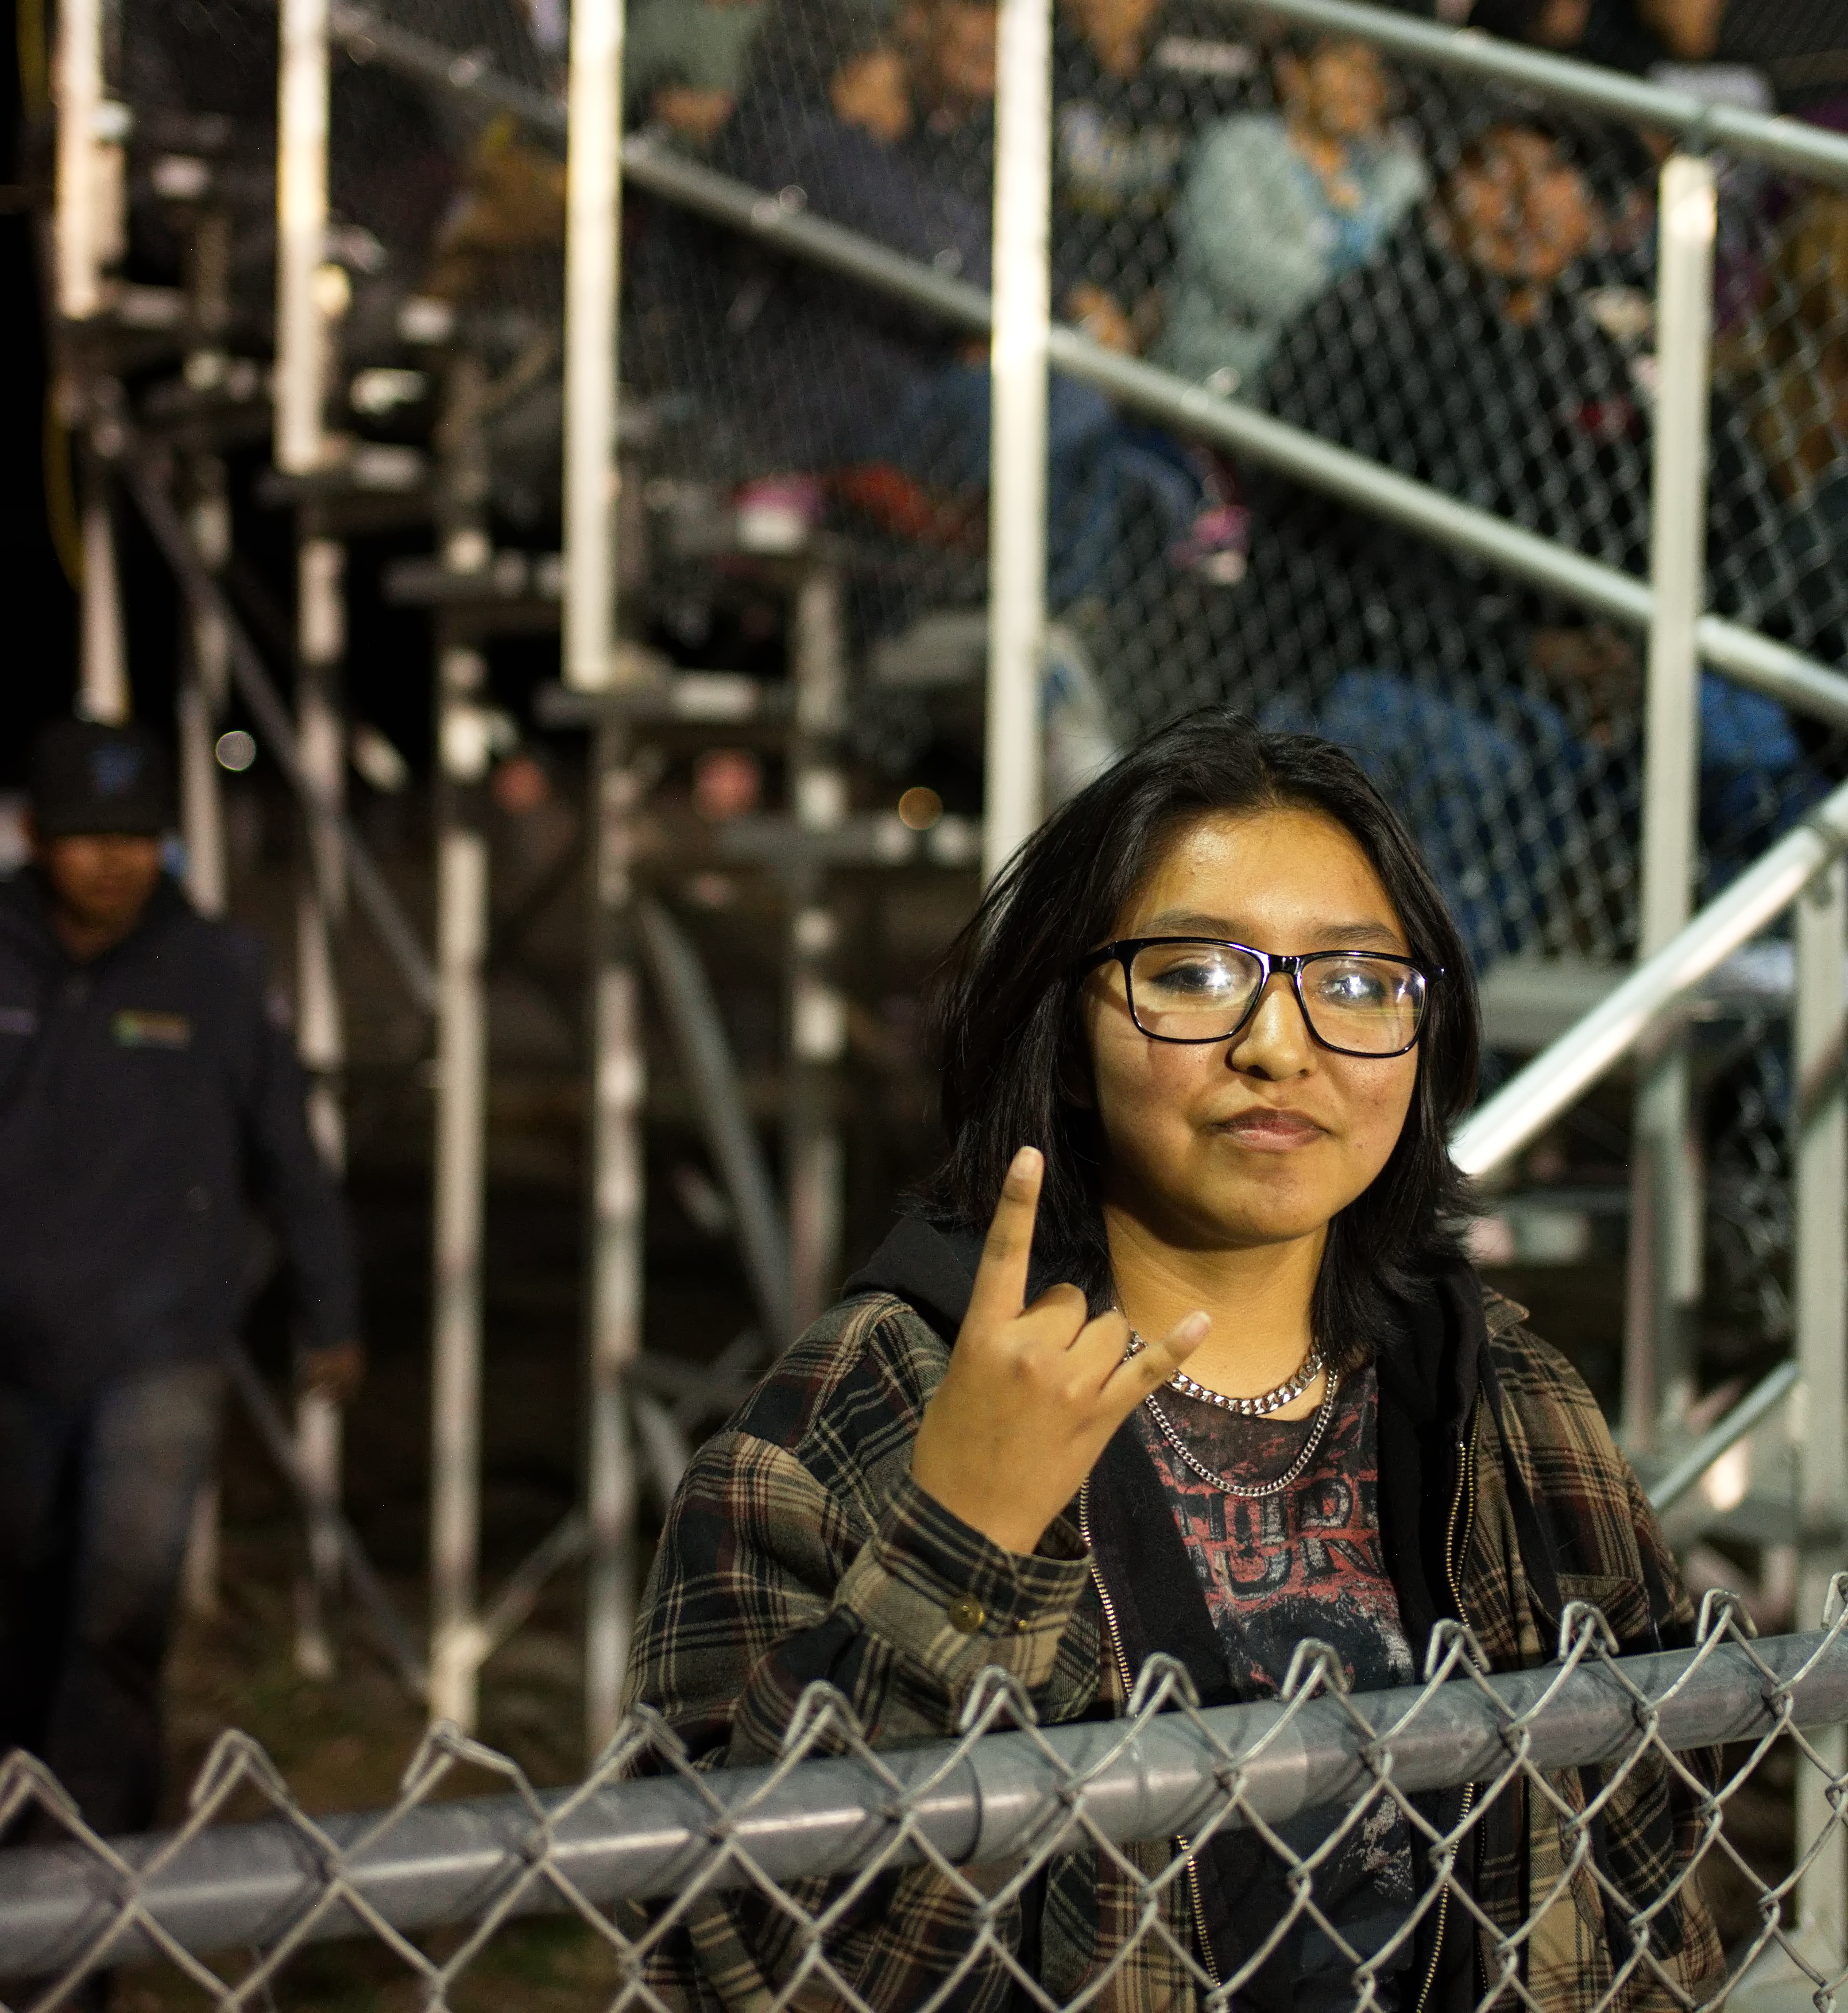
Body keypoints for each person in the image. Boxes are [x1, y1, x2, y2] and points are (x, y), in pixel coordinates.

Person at [623, 710, 1723, 2009]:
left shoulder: (1501, 1399)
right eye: (1195, 973)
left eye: (1357, 981)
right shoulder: (871, 1400)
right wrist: (961, 1542)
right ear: (1068, 1036)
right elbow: (748, 1964)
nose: (1280, 1042)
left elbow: (1652, 1908)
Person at [0, 720, 362, 1837]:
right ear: (32, 834)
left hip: (159, 1356)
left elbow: (288, 1154)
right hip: (8, 1353)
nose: (110, 858)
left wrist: (330, 1310)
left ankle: (96, 1906)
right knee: (15, 1610)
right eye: (84, 834)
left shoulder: (217, 968)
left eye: (135, 835)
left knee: (117, 1625)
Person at [1159, 37, 1429, 397]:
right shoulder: (1238, 146)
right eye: (1347, 66)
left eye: (1373, 72)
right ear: (1293, 73)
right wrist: (1358, 307)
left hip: (1349, 377)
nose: (1364, 84)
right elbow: (1240, 265)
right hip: (1229, 360)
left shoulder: (1385, 171)